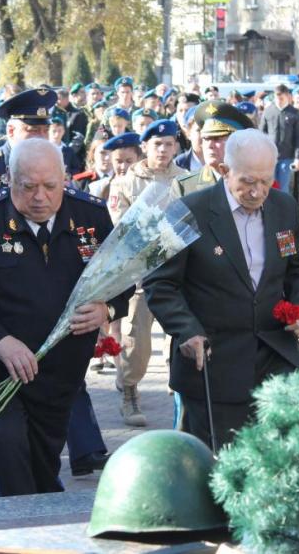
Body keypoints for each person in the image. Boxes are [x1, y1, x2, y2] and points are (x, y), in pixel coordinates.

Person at [0, 137, 131, 496]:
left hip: (60, 368)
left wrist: (108, 309)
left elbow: (122, 279)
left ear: (66, 178)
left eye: (50, 186)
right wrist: (0, 340)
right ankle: (13, 529)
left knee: (43, 460)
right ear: (9, 181)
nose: (40, 197)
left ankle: (37, 521)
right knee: (8, 442)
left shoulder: (90, 215)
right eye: (28, 187)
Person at [144, 129, 299, 447]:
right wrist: (186, 330)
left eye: (266, 181)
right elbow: (161, 283)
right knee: (218, 470)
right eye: (248, 181)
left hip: (274, 357)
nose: (258, 192)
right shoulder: (188, 211)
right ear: (224, 171)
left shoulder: (283, 207)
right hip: (214, 363)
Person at [107, 119, 186, 427]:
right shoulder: (127, 182)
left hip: (180, 269)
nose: (163, 150)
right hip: (142, 271)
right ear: (145, 147)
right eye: (157, 144)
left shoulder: (186, 178)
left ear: (177, 147)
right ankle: (129, 392)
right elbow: (122, 226)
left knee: (179, 330)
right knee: (135, 337)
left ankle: (177, 379)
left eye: (169, 144)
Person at [0, 88, 58, 199]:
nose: (42, 137)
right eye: (33, 130)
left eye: (46, 130)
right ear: (11, 131)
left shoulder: (53, 165)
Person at [174, 100, 253, 197]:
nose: (209, 145)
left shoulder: (257, 183)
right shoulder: (185, 187)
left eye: (217, 138)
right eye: (206, 138)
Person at [259, 85, 299, 194]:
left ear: (288, 97)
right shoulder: (268, 111)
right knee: (269, 186)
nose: (279, 101)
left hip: (287, 157)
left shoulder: (294, 113)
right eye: (277, 98)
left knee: (283, 188)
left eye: (281, 98)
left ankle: (282, 210)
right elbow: (261, 134)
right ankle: (269, 210)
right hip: (270, 157)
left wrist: (298, 158)